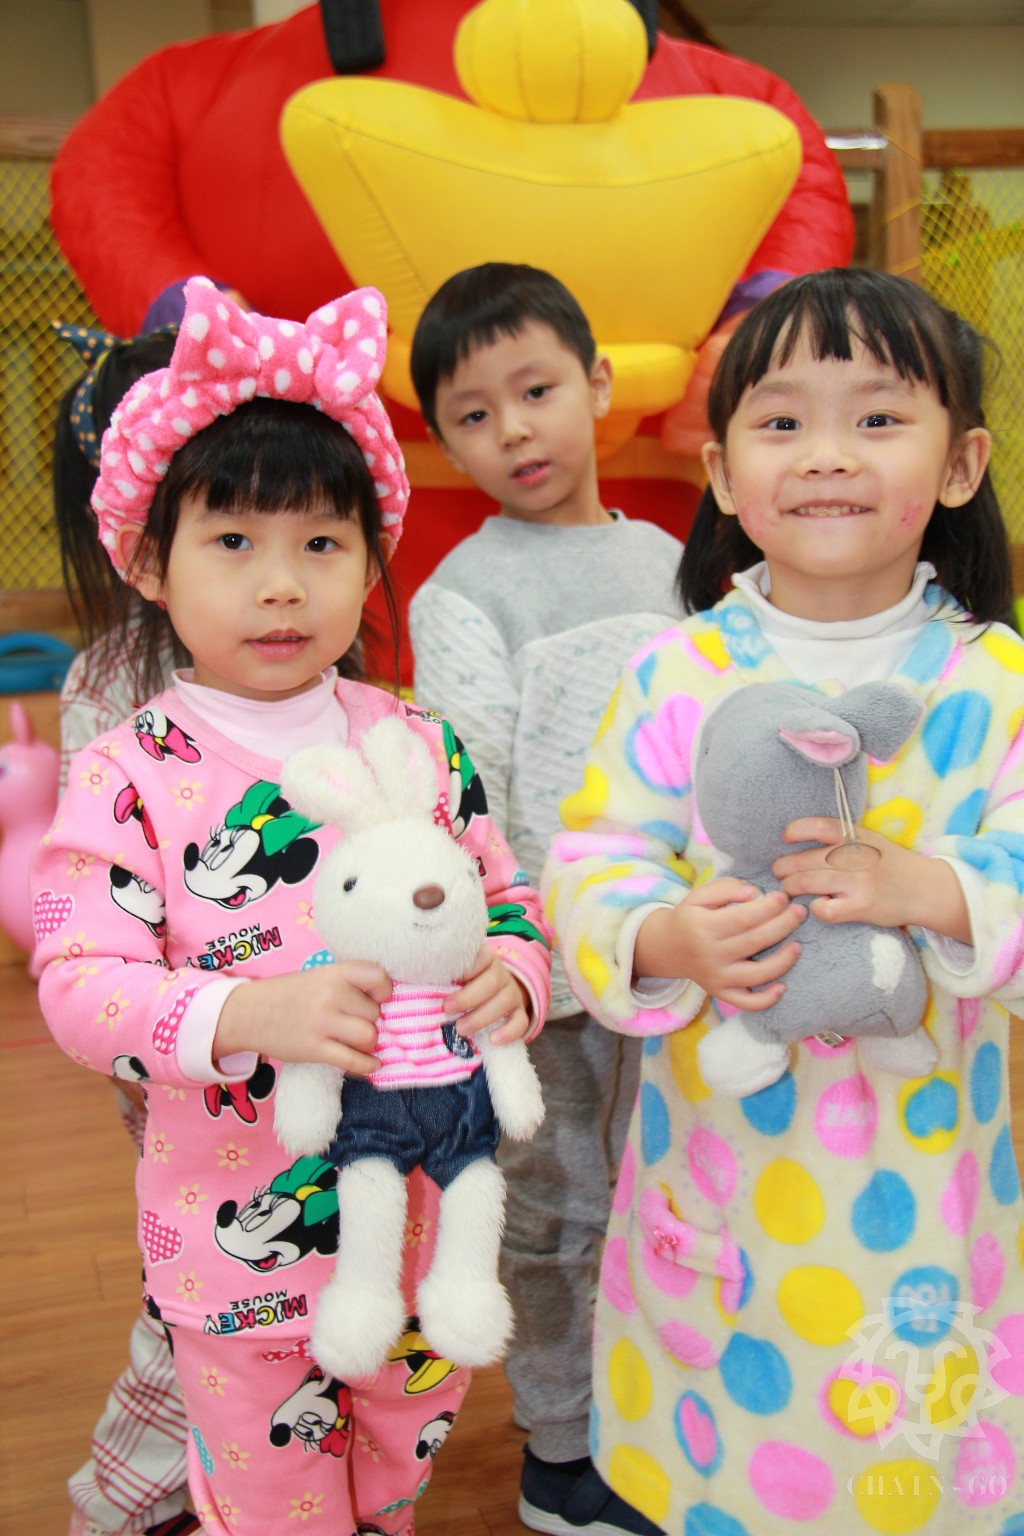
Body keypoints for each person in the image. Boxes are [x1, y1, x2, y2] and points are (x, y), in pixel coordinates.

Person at [32, 276, 552, 1536]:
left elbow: (507, 899)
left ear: (371, 558)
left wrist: (516, 976)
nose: (281, 585)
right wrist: (250, 1012)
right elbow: (78, 983)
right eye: (233, 543)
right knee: (275, 1504)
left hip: (423, 1231)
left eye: (320, 544)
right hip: (237, 1252)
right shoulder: (126, 771)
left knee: (396, 1475)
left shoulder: (419, 741)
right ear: (148, 564)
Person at [542, 266, 1024, 1535]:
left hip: (925, 1184)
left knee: (913, 1447)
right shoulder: (676, 671)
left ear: (960, 465)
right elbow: (593, 855)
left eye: (877, 418)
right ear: (720, 472)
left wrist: (936, 890)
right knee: (725, 1445)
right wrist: (663, 934)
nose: (825, 454)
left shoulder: (994, 682)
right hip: (723, 1168)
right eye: (781, 421)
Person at [407, 263, 685, 1536]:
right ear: (444, 439)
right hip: (548, 979)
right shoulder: (462, 592)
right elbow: (467, 797)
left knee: (668, 1191)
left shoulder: (672, 561)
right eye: (474, 415)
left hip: (673, 951)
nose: (513, 430)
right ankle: (562, 1449)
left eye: (536, 391)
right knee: (556, 1206)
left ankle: (661, 1414)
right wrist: (503, 955)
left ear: (598, 385)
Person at [53, 322, 198, 1536]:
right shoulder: (108, 682)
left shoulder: (323, 664)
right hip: (179, 1047)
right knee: (195, 1280)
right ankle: (126, 1496)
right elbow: (99, 911)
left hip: (313, 1044)